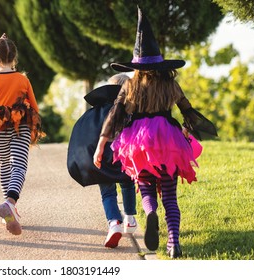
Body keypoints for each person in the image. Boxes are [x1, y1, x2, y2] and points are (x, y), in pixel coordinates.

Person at [93, 7, 217, 258]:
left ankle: (150, 213)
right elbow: (188, 112)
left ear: (135, 65)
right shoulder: (171, 84)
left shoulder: (130, 85)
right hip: (168, 141)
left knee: (147, 189)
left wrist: (101, 143)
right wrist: (184, 130)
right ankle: (174, 243)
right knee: (170, 196)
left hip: (139, 145)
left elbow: (115, 114)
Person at [0, 34, 45, 235]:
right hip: (20, 127)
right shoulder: (22, 79)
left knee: (6, 165)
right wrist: (34, 130)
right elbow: (35, 108)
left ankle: (9, 209)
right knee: (19, 165)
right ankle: (10, 202)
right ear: (14, 58)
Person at [67, 73, 137, 249]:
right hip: (124, 158)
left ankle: (114, 223)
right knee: (127, 183)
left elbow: (85, 134)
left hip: (101, 160)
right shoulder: (131, 111)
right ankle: (130, 218)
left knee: (107, 192)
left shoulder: (95, 112)